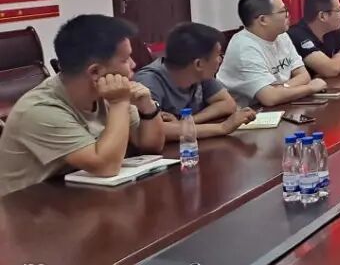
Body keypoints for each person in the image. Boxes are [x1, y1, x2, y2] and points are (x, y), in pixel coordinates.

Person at [0, 15, 165, 196]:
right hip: (28, 207)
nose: (133, 64)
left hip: (79, 196)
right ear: (95, 72)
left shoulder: (107, 92)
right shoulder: (39, 109)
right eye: (125, 59)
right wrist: (119, 103)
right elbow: (106, 167)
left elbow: (150, 147)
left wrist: (147, 107)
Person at [135, 22, 257, 140]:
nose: (220, 60)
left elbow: (227, 104)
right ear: (198, 64)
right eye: (217, 55)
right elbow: (154, 131)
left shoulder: (200, 74)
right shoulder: (148, 81)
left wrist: (186, 121)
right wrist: (222, 127)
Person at [217, 0, 327, 107]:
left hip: (279, 105)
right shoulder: (244, 48)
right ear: (263, 20)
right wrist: (310, 88)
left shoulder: (281, 35)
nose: (288, 15)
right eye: (283, 11)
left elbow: (303, 75)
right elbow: (270, 98)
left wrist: (282, 89)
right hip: (247, 112)